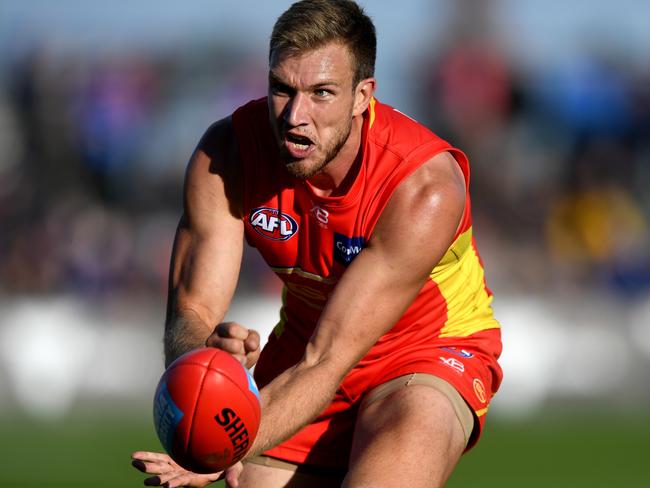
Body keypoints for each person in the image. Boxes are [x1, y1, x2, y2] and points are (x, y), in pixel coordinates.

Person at [132, 1, 503, 486]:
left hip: (424, 353)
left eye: (321, 93)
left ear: (361, 96)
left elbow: (327, 362)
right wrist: (207, 357)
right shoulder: (227, 156)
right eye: (281, 89)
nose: (294, 116)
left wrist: (220, 441)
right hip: (309, 342)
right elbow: (191, 309)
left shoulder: (423, 187)